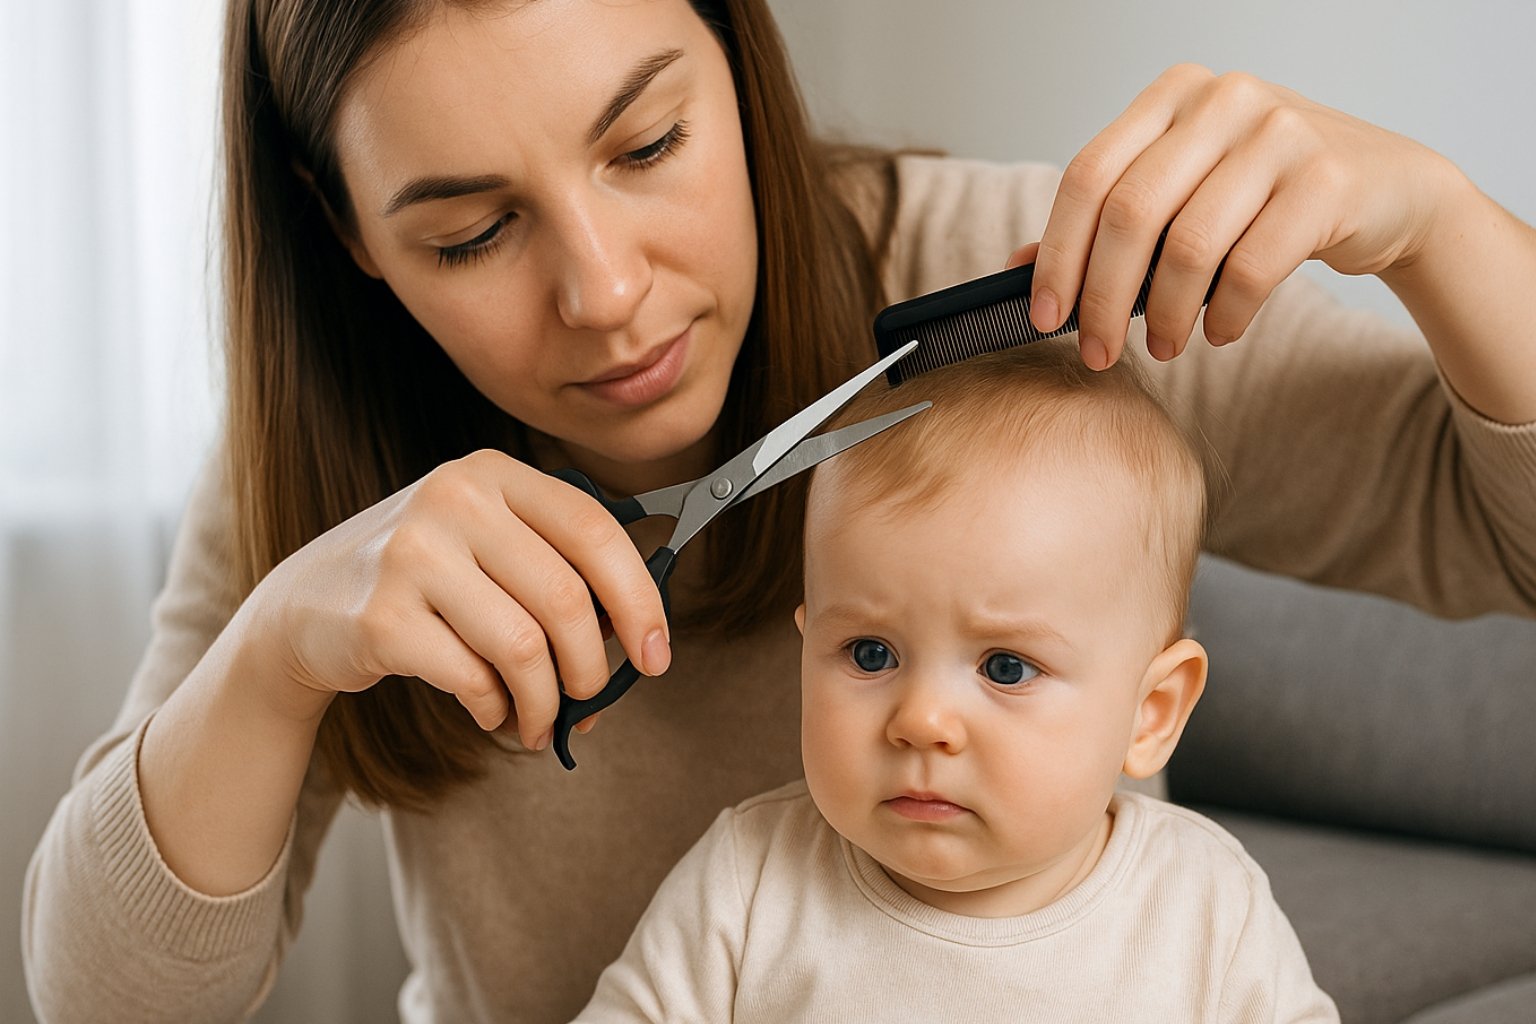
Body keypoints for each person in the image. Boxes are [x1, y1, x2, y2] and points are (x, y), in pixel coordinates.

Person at [20, 0, 1536, 1021]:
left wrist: (1433, 223)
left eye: (650, 145)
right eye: (473, 231)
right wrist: (283, 651)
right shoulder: (325, 461)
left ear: (740, 67)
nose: (609, 296)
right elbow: (101, 997)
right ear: (342, 226)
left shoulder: (1029, 315)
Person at [575, 340, 1340, 1022]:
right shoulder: (748, 884)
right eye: (871, 653)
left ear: (1151, 713)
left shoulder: (1204, 908)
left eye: (1006, 667)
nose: (923, 720)